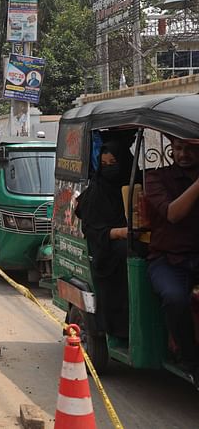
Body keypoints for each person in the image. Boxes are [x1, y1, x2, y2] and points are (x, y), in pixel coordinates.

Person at [75, 137, 140, 339]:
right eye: (104, 165)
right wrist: (120, 232)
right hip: (106, 251)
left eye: (114, 164)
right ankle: (119, 329)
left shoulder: (137, 184)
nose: (109, 169)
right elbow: (93, 230)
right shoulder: (97, 191)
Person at [146, 136, 199, 378]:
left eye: (190, 149)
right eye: (179, 148)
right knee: (175, 298)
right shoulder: (156, 178)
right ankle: (189, 359)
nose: (183, 154)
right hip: (166, 259)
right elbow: (173, 214)